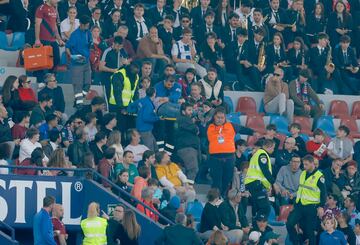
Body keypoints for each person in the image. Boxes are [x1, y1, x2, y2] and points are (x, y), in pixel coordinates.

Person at [286, 154, 327, 245]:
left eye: (306, 164)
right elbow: (301, 190)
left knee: (309, 231)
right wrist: (295, 203)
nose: (304, 166)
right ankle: (296, 243)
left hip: (311, 207)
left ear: (312, 163)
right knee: (289, 224)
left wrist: (321, 207)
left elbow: (323, 193)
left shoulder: (319, 176)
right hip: (299, 205)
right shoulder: (303, 173)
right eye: (303, 164)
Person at [66, 15, 92, 108]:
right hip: (76, 63)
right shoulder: (74, 35)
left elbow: (89, 44)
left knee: (88, 83)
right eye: (86, 25)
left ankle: (77, 100)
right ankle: (79, 103)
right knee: (78, 84)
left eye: (88, 25)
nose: (87, 27)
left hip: (86, 62)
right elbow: (67, 47)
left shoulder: (88, 32)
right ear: (81, 24)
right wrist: (71, 56)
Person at [34, 0, 64, 80]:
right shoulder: (41, 8)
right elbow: (37, 24)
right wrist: (37, 39)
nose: (57, 1)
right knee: (41, 62)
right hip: (43, 39)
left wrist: (59, 39)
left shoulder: (54, 9)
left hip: (53, 40)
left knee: (57, 59)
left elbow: (54, 26)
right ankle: (40, 80)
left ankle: (50, 77)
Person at [245, 139, 275, 217]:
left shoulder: (257, 154)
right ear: (269, 146)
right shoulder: (262, 155)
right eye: (273, 148)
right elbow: (265, 171)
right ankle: (259, 226)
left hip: (253, 183)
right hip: (256, 184)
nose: (273, 150)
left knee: (257, 207)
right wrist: (273, 183)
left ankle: (256, 225)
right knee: (265, 208)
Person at [108, 63, 140, 134]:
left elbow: (135, 92)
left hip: (129, 106)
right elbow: (117, 92)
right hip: (117, 106)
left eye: (136, 72)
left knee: (130, 128)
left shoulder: (136, 76)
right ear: (128, 70)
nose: (135, 74)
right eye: (133, 72)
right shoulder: (119, 75)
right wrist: (121, 108)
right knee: (119, 128)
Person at [176, 102, 200, 180]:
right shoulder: (184, 119)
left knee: (187, 169)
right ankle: (188, 188)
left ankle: (186, 187)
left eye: (192, 110)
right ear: (183, 111)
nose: (191, 112)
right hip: (187, 149)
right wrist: (195, 126)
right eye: (189, 110)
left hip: (187, 148)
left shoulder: (183, 119)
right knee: (193, 169)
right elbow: (195, 129)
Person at [133, 87, 159, 152]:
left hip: (140, 128)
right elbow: (146, 117)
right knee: (149, 151)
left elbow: (131, 107)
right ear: (154, 94)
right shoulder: (148, 104)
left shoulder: (141, 100)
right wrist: (157, 118)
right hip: (145, 130)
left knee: (155, 148)